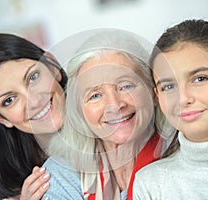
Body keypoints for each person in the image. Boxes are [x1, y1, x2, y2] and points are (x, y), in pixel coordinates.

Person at [133, 19, 208, 199]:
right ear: (157, 96)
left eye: (200, 79)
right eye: (168, 86)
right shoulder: (150, 184)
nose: (183, 99)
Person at [43, 29, 171, 200]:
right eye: (95, 95)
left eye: (125, 86)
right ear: (81, 110)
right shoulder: (60, 175)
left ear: (153, 93)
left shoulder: (183, 163)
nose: (114, 105)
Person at [0, 33, 70, 199]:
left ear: (52, 68)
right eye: (9, 100)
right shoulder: (24, 188)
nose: (34, 101)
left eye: (33, 77)